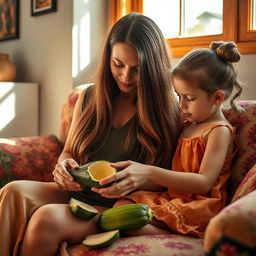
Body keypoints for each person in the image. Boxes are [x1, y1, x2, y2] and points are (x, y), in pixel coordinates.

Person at [0, 13, 181, 256]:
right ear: (108, 58)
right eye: (118, 64)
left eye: (137, 69)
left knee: (46, 218)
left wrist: (138, 179)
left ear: (153, 66)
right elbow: (69, 151)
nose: (126, 77)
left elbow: (174, 177)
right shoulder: (88, 98)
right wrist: (62, 166)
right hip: (76, 192)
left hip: (119, 207)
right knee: (12, 191)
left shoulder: (170, 107)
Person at [94, 41, 242, 238]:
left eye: (189, 98)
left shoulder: (218, 131)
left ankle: (173, 235)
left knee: (128, 220)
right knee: (123, 206)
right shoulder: (189, 124)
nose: (181, 105)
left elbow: (204, 182)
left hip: (198, 204)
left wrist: (150, 173)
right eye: (179, 96)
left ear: (217, 98)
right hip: (172, 197)